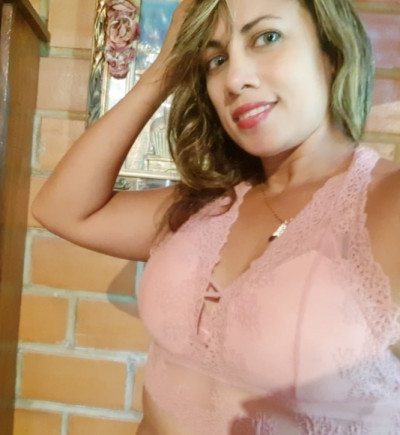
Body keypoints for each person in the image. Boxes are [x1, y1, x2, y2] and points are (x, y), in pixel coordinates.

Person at [32, 0, 400, 433]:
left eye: (266, 37)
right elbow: (60, 209)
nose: (235, 80)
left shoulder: (386, 204)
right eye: (216, 60)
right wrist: (163, 72)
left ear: (330, 51)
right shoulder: (206, 206)